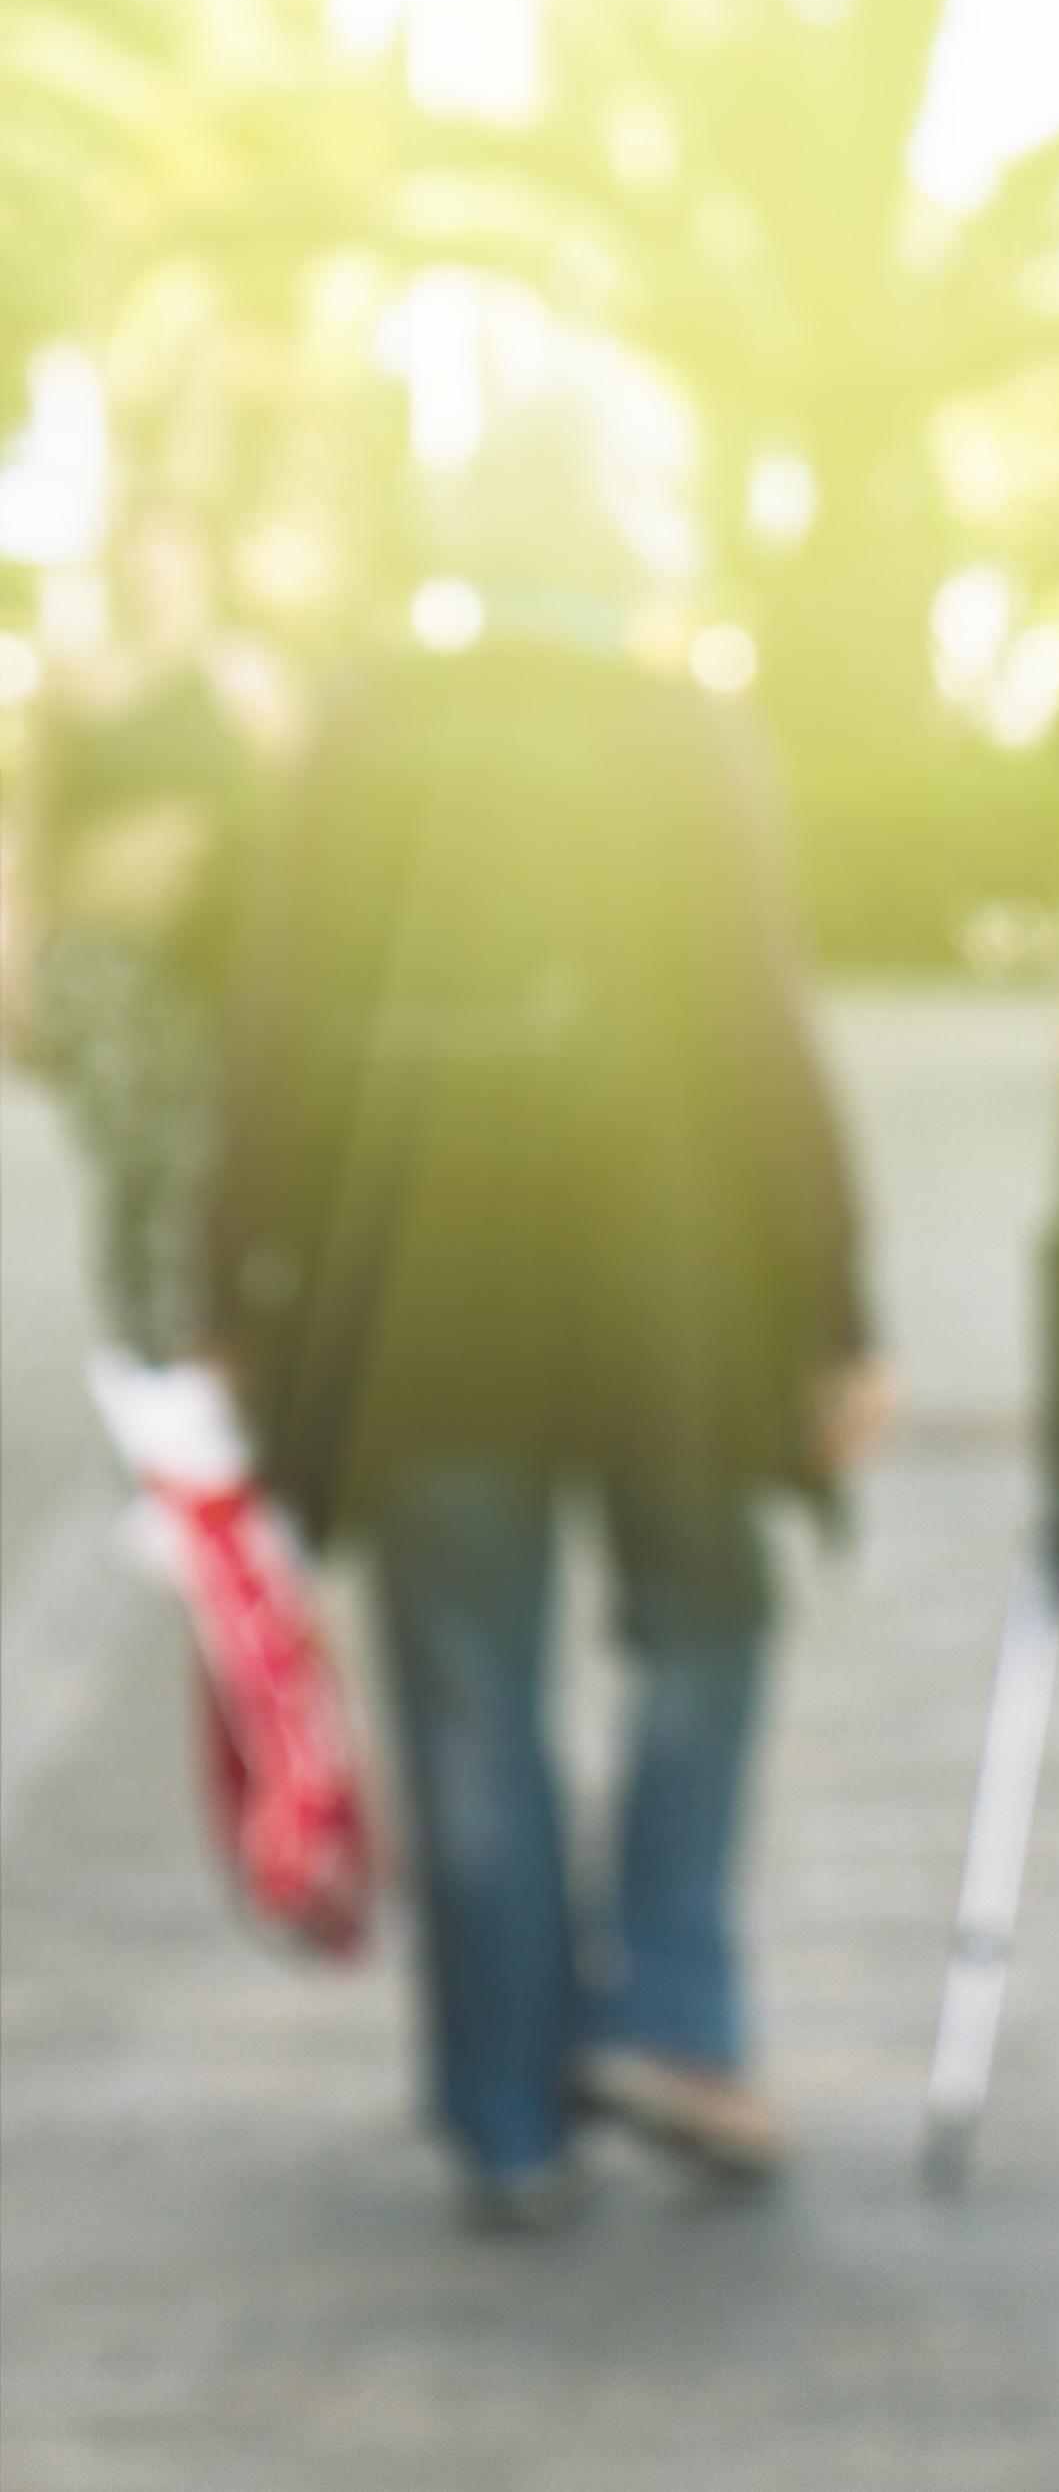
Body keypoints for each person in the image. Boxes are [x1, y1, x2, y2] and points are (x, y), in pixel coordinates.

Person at [209, 402, 884, 2230]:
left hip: (428, 1290)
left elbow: (268, 1024)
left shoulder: (357, 735)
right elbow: (760, 1027)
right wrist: (836, 1306)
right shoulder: (682, 738)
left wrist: (231, 1291)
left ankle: (507, 2117)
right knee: (708, 1624)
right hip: (670, 1291)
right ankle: (667, 2004)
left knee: (468, 1687)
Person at [2, 508, 289, 1369]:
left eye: (171, 566)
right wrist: (15, 963)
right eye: (140, 566)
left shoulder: (248, 685)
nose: (153, 583)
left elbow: (297, 833)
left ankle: (190, 1378)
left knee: (187, 1175)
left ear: (202, 573)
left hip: (202, 969)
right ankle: (144, 1383)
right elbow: (33, 828)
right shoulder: (78, 684)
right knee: (127, 1181)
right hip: (98, 970)